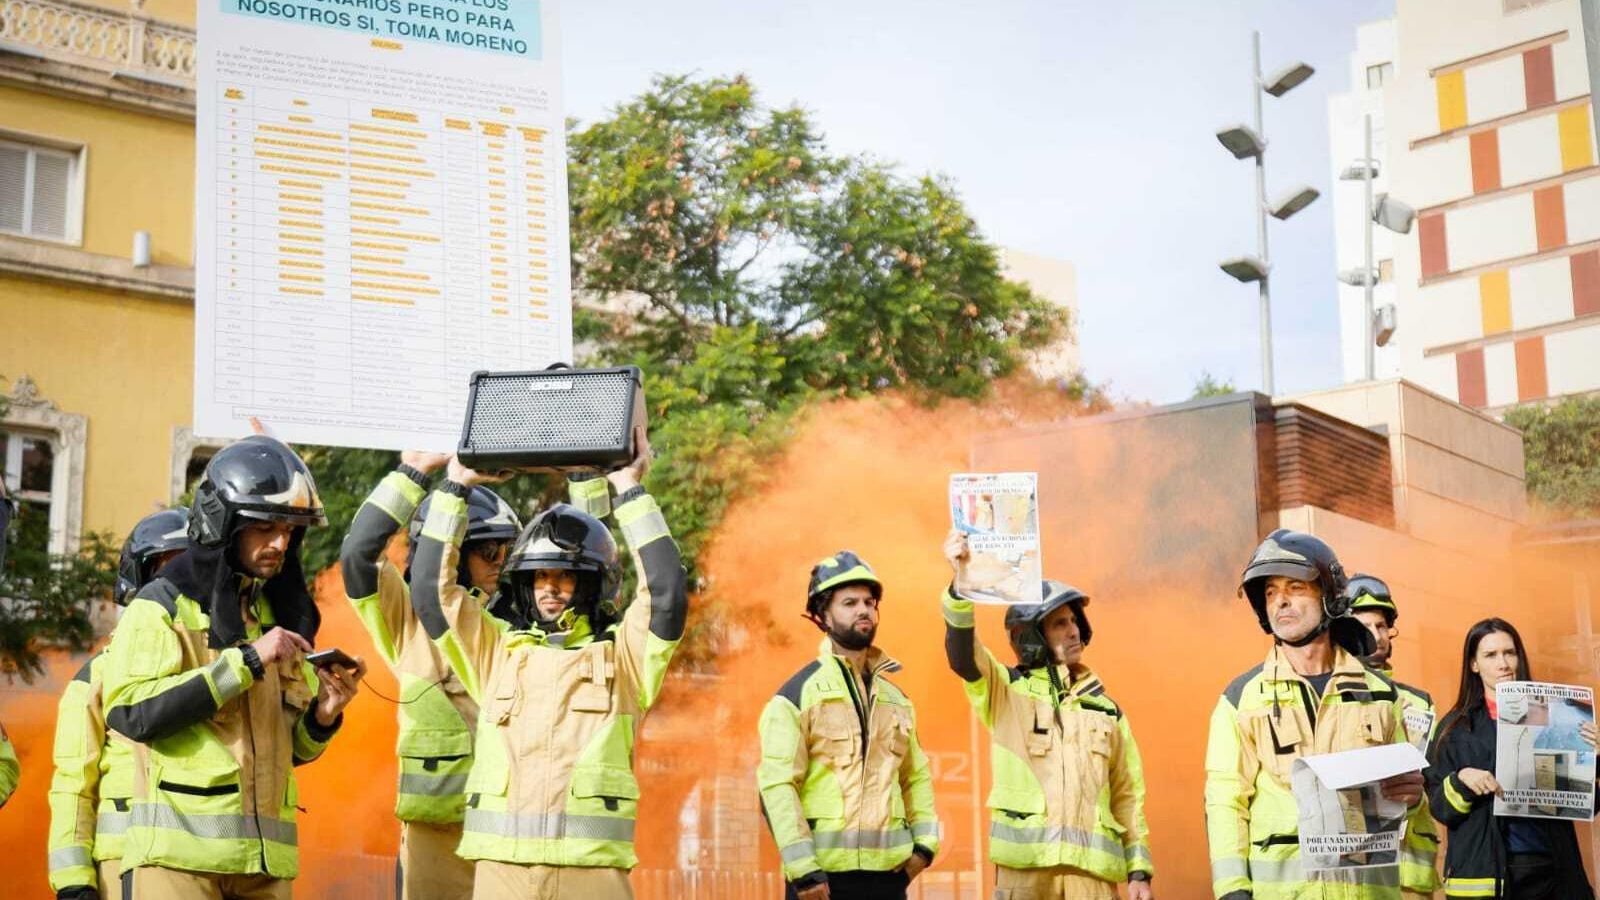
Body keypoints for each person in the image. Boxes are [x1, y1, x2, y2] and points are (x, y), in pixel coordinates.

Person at [408, 432, 686, 899]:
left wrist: (630, 490)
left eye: (564, 576)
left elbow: (666, 595)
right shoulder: (495, 652)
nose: (550, 588)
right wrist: (455, 485)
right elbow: (433, 594)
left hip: (590, 873)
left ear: (590, 586)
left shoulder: (625, 659)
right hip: (501, 871)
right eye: (539, 575)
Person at [101, 435, 366, 900]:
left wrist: (323, 716)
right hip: (179, 866)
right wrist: (245, 661)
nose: (281, 542)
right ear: (224, 525)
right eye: (266, 527)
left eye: (290, 530)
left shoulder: (273, 619)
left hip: (265, 867)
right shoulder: (159, 607)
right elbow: (131, 715)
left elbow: (291, 753)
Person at [1205, 529, 1423, 900]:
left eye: (1295, 588)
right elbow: (1224, 803)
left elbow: (1406, 801)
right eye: (1271, 592)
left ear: (1331, 597)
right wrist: (1232, 890)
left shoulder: (1381, 695)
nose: (1280, 602)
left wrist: (1414, 797)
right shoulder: (1241, 700)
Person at [341, 451, 520, 900]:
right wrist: (414, 473)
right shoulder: (407, 625)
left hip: (511, 835)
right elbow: (359, 555)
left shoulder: (517, 632)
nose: (500, 561)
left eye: (505, 551)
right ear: (455, 558)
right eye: (487, 551)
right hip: (435, 838)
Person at [940, 529, 1153, 899]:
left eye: (1074, 622)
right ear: (1030, 636)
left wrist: (1139, 871)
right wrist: (960, 587)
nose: (1074, 631)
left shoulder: (1106, 710)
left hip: (1093, 875)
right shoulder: (1005, 690)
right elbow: (962, 654)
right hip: (1024, 871)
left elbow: (1128, 796)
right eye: (1060, 623)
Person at [757, 550, 940, 900]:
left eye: (869, 602)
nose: (863, 610)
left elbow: (915, 776)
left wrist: (925, 848)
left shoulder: (896, 699)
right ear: (823, 614)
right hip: (822, 881)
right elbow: (778, 786)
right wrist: (804, 871)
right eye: (849, 602)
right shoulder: (796, 695)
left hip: (889, 878)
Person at [48, 508, 189, 899]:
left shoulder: (218, 669)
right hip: (123, 863)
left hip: (203, 867)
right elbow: (74, 785)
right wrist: (75, 882)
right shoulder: (96, 678)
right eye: (174, 568)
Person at [1425, 618, 1598, 899]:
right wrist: (1460, 782)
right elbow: (1439, 808)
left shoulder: (1557, 717)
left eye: (1510, 652)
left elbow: (1590, 803)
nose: (1503, 663)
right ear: (1474, 665)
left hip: (1553, 872)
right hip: (1486, 876)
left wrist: (1592, 757)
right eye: (1491, 655)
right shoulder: (1454, 729)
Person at [1346, 574, 1442, 898]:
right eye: (1365, 627)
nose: (1377, 636)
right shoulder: (1331, 699)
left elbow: (1437, 784)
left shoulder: (1419, 703)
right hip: (1351, 874)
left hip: (1409, 878)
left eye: (1382, 626)